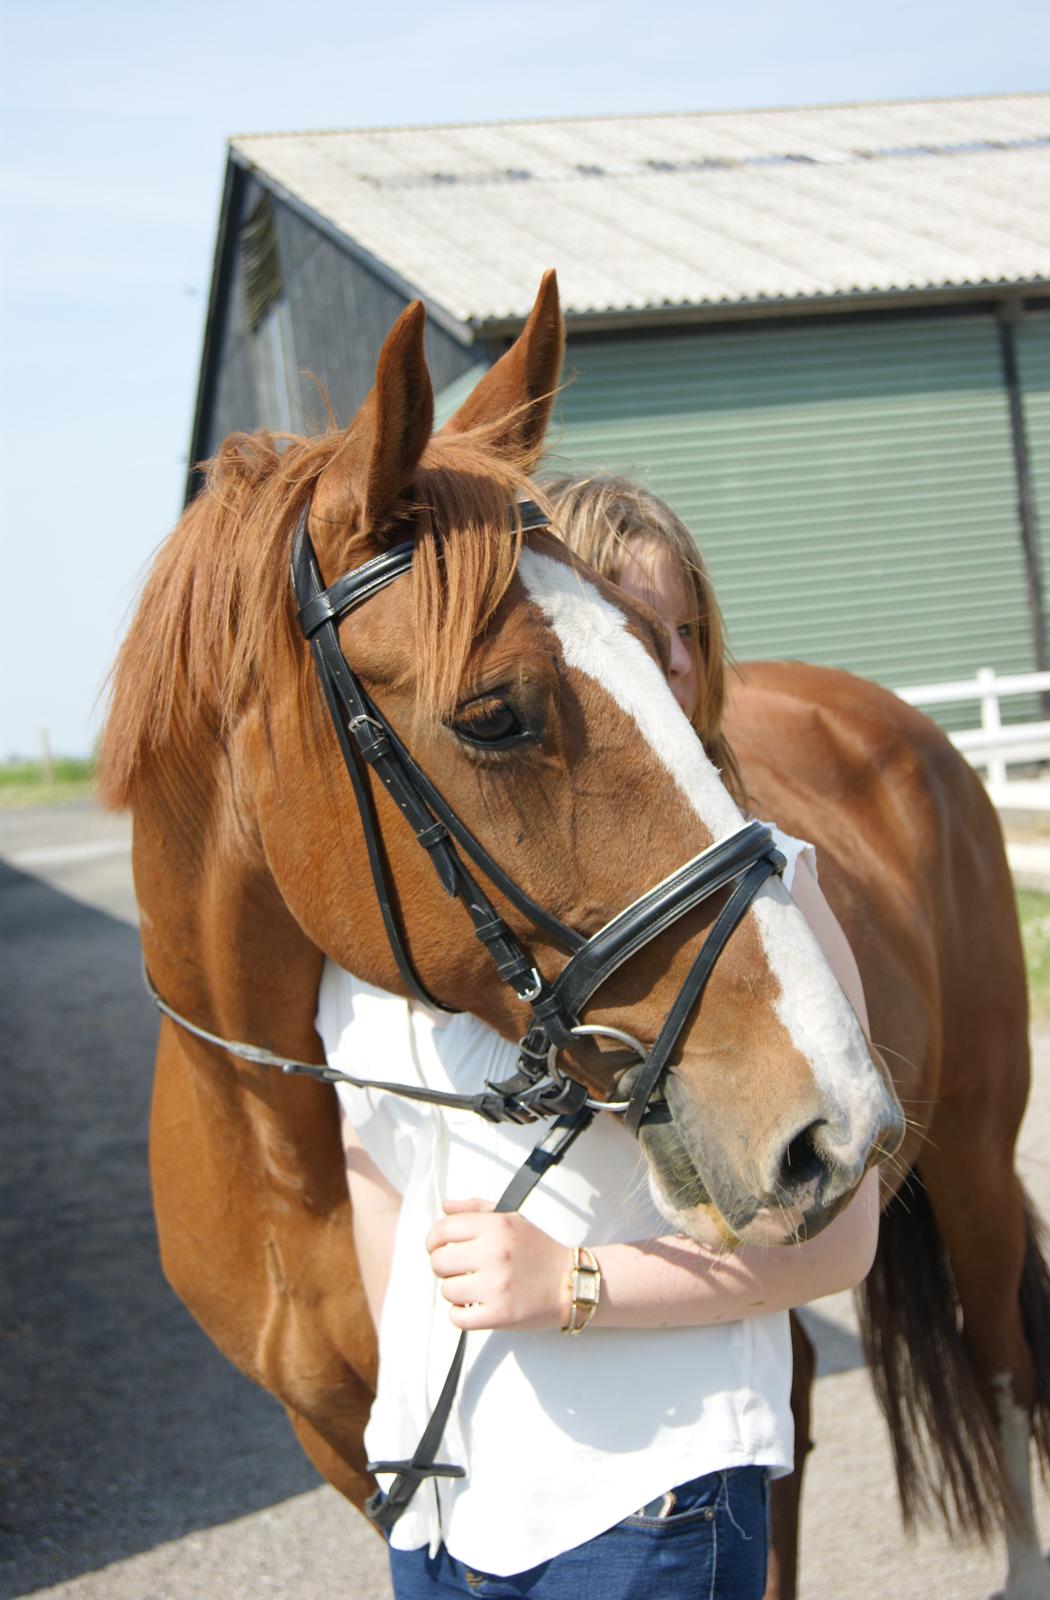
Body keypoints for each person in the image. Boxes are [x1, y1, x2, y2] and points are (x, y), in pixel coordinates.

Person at [316, 474, 878, 1600]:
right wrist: (410, 1403)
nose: (667, 662)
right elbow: (376, 1173)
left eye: (686, 632)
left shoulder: (763, 887)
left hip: (649, 1495)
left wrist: (574, 1283)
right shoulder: (395, 930)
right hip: (442, 1504)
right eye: (629, 627)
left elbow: (838, 1239)